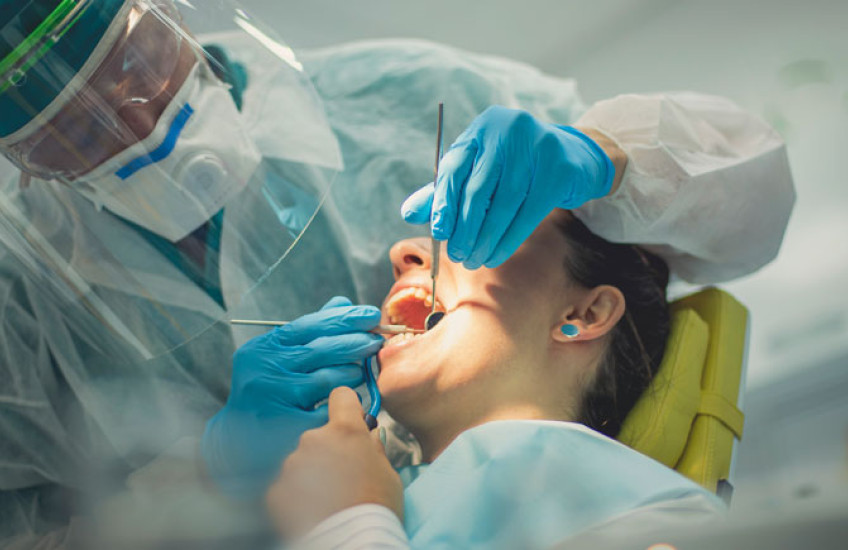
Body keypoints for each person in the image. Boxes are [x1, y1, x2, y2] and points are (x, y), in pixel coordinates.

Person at [0, 0, 794, 546]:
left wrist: (605, 158)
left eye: (130, 61)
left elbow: (737, 190)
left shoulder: (397, 97)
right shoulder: (20, 294)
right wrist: (209, 475)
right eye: (60, 128)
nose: (401, 252)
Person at [266, 210, 722, 549]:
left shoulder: (653, 516)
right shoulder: (383, 489)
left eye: (482, 226)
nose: (402, 252)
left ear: (583, 315)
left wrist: (350, 527)